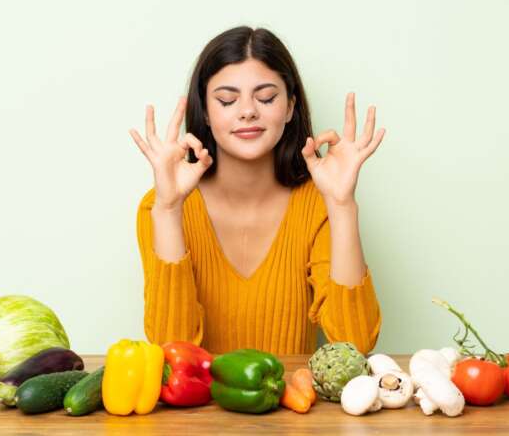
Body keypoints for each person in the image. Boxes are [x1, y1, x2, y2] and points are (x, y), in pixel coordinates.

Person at [129, 26, 386, 355]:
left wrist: (341, 205)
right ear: (205, 112)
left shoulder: (318, 204)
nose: (248, 110)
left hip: (294, 403)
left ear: (291, 108)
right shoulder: (158, 207)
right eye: (227, 100)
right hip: (199, 407)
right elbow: (171, 349)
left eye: (266, 98)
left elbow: (355, 344)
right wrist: (167, 212)